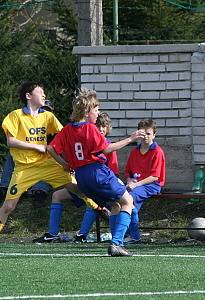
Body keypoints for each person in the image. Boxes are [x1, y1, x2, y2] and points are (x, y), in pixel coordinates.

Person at [0, 81, 90, 258]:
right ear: (29, 96)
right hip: (24, 168)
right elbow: (10, 141)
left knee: (75, 187)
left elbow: (64, 135)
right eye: (40, 92)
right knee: (9, 206)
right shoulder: (15, 116)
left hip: (48, 164)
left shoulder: (48, 117)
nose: (44, 95)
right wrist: (35, 147)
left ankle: (101, 208)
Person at [46, 89, 145, 256]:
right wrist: (130, 139)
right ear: (87, 112)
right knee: (128, 201)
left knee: (115, 204)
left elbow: (50, 148)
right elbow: (107, 149)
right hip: (97, 172)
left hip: (81, 177)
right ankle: (117, 244)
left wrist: (65, 164)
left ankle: (115, 241)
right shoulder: (90, 128)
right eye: (96, 110)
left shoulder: (67, 129)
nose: (98, 113)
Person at [33, 112, 117, 244]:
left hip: (100, 185)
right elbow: (56, 151)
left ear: (108, 129)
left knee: (93, 200)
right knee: (57, 195)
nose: (100, 129)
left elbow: (113, 172)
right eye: (98, 126)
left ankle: (82, 235)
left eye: (104, 126)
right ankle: (52, 233)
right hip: (82, 182)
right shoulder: (85, 142)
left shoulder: (109, 147)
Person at [0, 100, 55, 209]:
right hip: (26, 162)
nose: (43, 113)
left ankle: (39, 192)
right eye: (41, 110)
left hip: (44, 162)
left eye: (47, 111)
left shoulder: (54, 128)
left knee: (47, 159)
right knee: (12, 153)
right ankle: (4, 189)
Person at [124, 118, 166, 243]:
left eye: (148, 134)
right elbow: (129, 173)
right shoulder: (134, 152)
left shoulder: (157, 152)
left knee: (129, 198)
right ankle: (125, 233)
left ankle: (134, 235)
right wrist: (129, 182)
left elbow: (155, 176)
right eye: (143, 134)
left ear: (154, 134)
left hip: (151, 185)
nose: (145, 137)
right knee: (121, 197)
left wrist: (135, 185)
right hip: (136, 185)